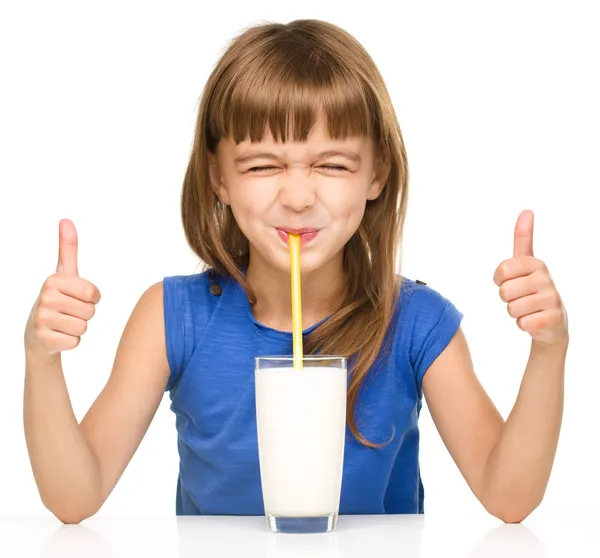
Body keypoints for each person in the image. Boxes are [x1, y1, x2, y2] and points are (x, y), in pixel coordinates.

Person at [23, 19, 569, 525]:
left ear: (376, 173)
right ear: (219, 179)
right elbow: (76, 497)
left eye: (333, 165)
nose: (299, 196)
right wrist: (42, 360)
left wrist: (548, 349)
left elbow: (509, 497)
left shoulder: (417, 324)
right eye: (263, 166)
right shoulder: (172, 318)